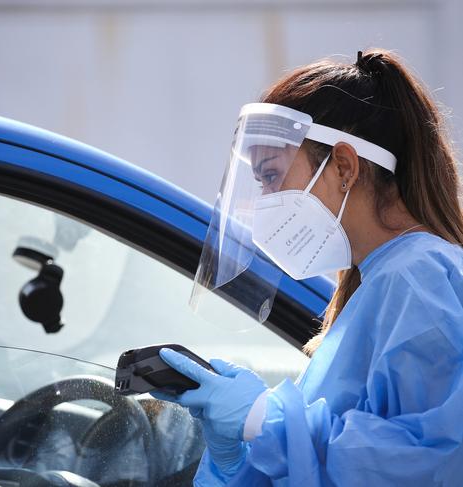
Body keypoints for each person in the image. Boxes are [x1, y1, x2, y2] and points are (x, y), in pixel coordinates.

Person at [153, 49, 463, 485]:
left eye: (271, 176)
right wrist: (236, 458)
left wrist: (264, 419)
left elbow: (427, 464)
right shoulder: (376, 282)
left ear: (343, 166)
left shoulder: (418, 275)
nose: (264, 202)